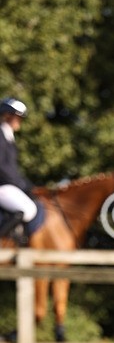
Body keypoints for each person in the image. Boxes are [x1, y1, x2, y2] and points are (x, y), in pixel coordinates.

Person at [0, 98, 44, 240]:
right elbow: (2, 167)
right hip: (2, 185)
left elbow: (13, 169)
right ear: (7, 116)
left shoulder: (9, 138)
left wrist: (29, 186)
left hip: (8, 185)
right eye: (17, 118)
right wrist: (21, 185)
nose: (20, 121)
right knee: (27, 209)